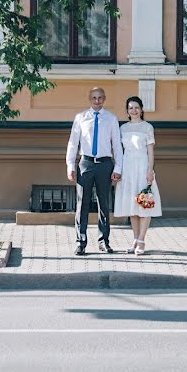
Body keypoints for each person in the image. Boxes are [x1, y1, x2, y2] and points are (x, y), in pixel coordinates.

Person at [66, 87, 123, 256]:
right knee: (82, 203)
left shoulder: (111, 119)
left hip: (105, 164)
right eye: (94, 98)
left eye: (100, 98)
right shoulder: (81, 118)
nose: (97, 101)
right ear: (89, 99)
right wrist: (70, 165)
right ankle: (80, 242)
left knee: (104, 204)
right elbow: (72, 143)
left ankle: (103, 241)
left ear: (104, 99)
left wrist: (118, 167)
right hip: (86, 163)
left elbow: (117, 145)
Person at [113, 96, 161, 255]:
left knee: (144, 204)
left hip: (142, 167)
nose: (133, 110)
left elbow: (150, 151)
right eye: (130, 108)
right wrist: (118, 170)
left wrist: (150, 170)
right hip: (128, 168)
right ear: (127, 111)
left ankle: (142, 240)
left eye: (136, 107)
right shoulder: (122, 128)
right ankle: (135, 240)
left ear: (141, 109)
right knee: (132, 206)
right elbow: (119, 151)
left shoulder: (147, 127)